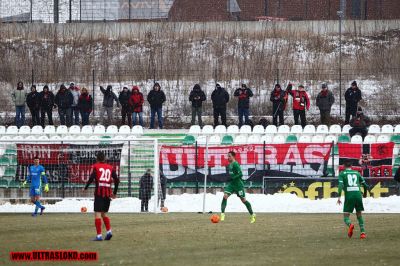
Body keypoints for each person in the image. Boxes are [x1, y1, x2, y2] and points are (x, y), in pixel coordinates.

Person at [83, 151, 119, 241]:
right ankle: (109, 231)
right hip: (107, 194)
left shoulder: (96, 166)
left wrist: (86, 188)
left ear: (97, 159)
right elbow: (117, 180)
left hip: (99, 193)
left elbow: (91, 178)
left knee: (98, 213)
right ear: (105, 159)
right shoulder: (110, 168)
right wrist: (114, 192)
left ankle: (99, 236)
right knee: (104, 213)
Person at [220, 151, 256, 224]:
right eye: (228, 156)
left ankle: (252, 215)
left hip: (238, 185)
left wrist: (233, 178)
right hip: (232, 184)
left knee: (243, 200)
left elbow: (240, 174)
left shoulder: (236, 164)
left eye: (229, 156)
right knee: (225, 196)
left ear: (233, 156)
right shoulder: (230, 164)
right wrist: (230, 178)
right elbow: (233, 174)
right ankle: (222, 214)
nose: (228, 157)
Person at [337, 160, 369, 239]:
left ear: (344, 165)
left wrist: (339, 197)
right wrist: (364, 194)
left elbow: (340, 185)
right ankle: (363, 233)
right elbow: (365, 185)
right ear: (351, 166)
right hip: (358, 195)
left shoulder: (342, 174)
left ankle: (350, 225)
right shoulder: (357, 173)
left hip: (349, 196)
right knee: (359, 214)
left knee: (346, 216)